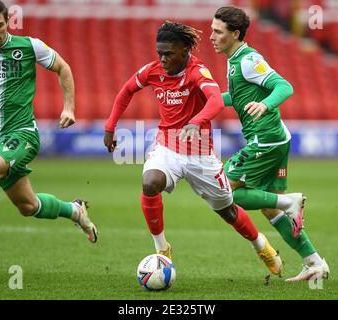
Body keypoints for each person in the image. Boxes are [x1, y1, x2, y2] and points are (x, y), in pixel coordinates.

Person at [104, 21, 283, 276]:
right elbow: (126, 90)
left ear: (186, 50)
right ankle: (162, 249)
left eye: (169, 54)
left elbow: (214, 101)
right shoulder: (152, 70)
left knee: (228, 211)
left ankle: (261, 245)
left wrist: (196, 121)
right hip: (167, 145)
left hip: (200, 152)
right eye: (160, 53)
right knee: (150, 182)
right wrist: (110, 127)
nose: (163, 59)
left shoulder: (198, 71)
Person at [0, 0, 97, 272]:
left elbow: (64, 68)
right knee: (28, 206)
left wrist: (69, 107)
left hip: (22, 133)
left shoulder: (29, 46)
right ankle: (75, 211)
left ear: (8, 22)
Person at [210, 6, 329, 281]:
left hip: (265, 141)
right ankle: (314, 263)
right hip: (276, 139)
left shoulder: (249, 59)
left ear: (235, 34)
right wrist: (209, 100)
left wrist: (264, 105)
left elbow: (284, 86)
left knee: (224, 192)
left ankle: (290, 201)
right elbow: (238, 97)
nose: (211, 36)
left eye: (218, 31)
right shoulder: (235, 59)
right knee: (268, 206)